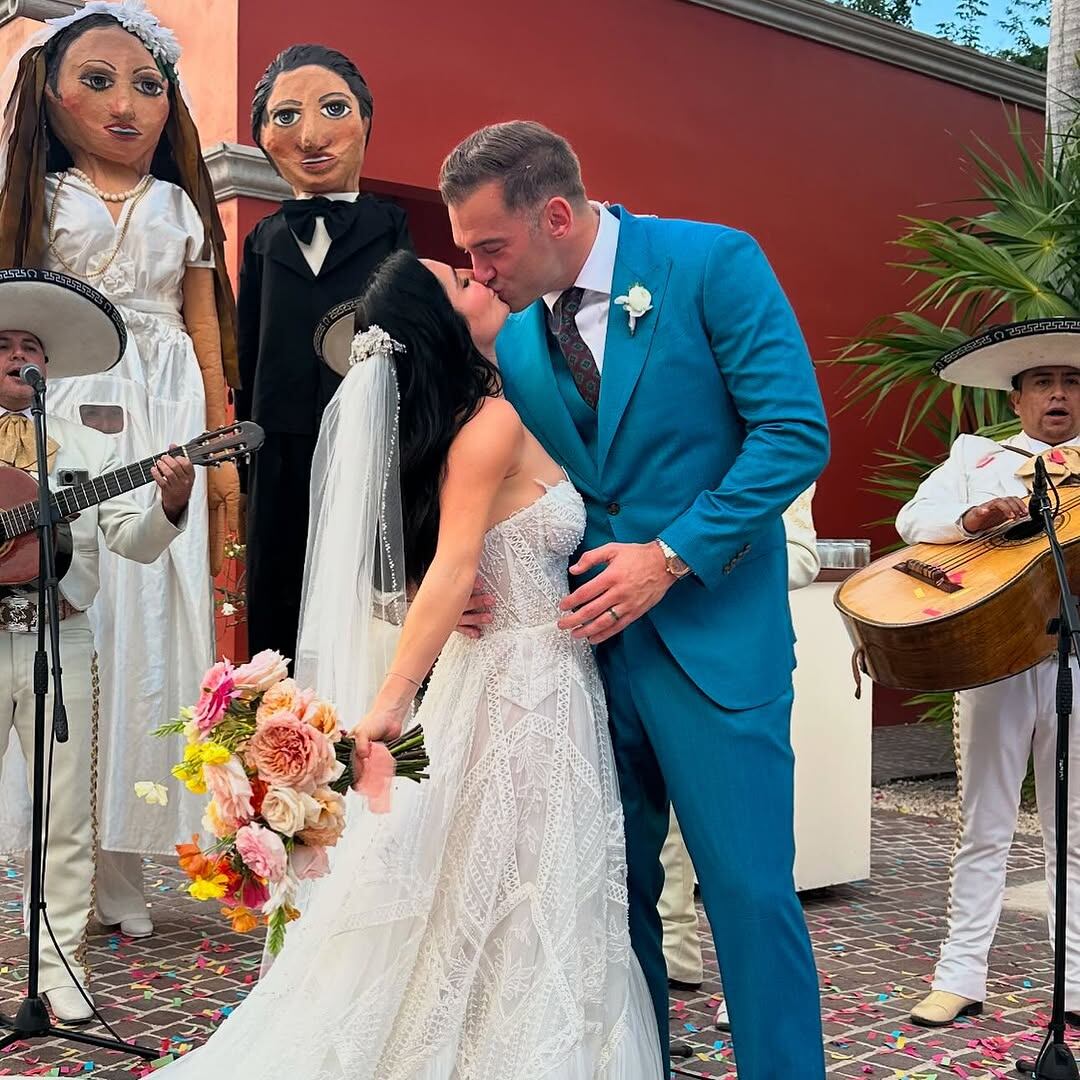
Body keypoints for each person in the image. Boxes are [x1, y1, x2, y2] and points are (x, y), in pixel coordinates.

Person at [160, 250, 662, 1078]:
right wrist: (390, 702)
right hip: (520, 691)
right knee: (522, 887)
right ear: (444, 323)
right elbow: (457, 570)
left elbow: (438, 572)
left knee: (501, 888)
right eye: (463, 282)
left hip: (535, 681)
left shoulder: (498, 413)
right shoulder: (492, 425)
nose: (485, 280)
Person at [440, 121, 829, 1078]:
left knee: (746, 895)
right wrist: (467, 579)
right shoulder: (525, 339)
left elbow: (792, 434)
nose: (479, 276)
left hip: (714, 645)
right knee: (609, 898)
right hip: (582, 658)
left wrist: (671, 555)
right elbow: (535, 481)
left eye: (490, 248)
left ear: (557, 215)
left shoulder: (712, 263)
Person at [0, 0, 238, 937]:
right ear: (49, 97)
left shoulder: (181, 205)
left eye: (147, 84)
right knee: (80, 602)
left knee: (155, 627)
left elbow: (209, 338)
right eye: (96, 81)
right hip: (70, 398)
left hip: (171, 401)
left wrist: (220, 466)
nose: (126, 105)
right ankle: (69, 845)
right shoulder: (37, 202)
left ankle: (128, 858)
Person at [0, 268, 194, 1022]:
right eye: (4, 346)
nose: (20, 358)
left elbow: (133, 543)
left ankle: (59, 970)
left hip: (62, 636)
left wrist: (170, 503)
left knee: (65, 815)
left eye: (32, 349)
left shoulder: (82, 444)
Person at [900, 322, 1080, 1027]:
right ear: (1018, 398)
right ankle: (960, 974)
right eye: (1043, 383)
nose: (1058, 395)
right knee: (986, 822)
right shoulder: (977, 458)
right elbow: (916, 518)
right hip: (992, 654)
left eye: (1070, 382)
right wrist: (974, 516)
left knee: (1075, 828)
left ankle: (1073, 981)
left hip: (1077, 654)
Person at [237, 44, 413, 664]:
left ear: (365, 120)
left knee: (369, 591)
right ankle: (280, 735)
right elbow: (246, 346)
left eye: (332, 109)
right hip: (278, 444)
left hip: (369, 436)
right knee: (278, 586)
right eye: (285, 117)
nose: (310, 136)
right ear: (261, 136)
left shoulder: (390, 225)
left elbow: (411, 333)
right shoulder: (263, 238)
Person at [661, 485, 820, 1038]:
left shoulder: (759, 444)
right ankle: (674, 953)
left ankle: (744, 983)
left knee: (741, 850)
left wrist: (685, 558)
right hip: (626, 643)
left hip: (728, 647)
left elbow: (800, 552)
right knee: (654, 838)